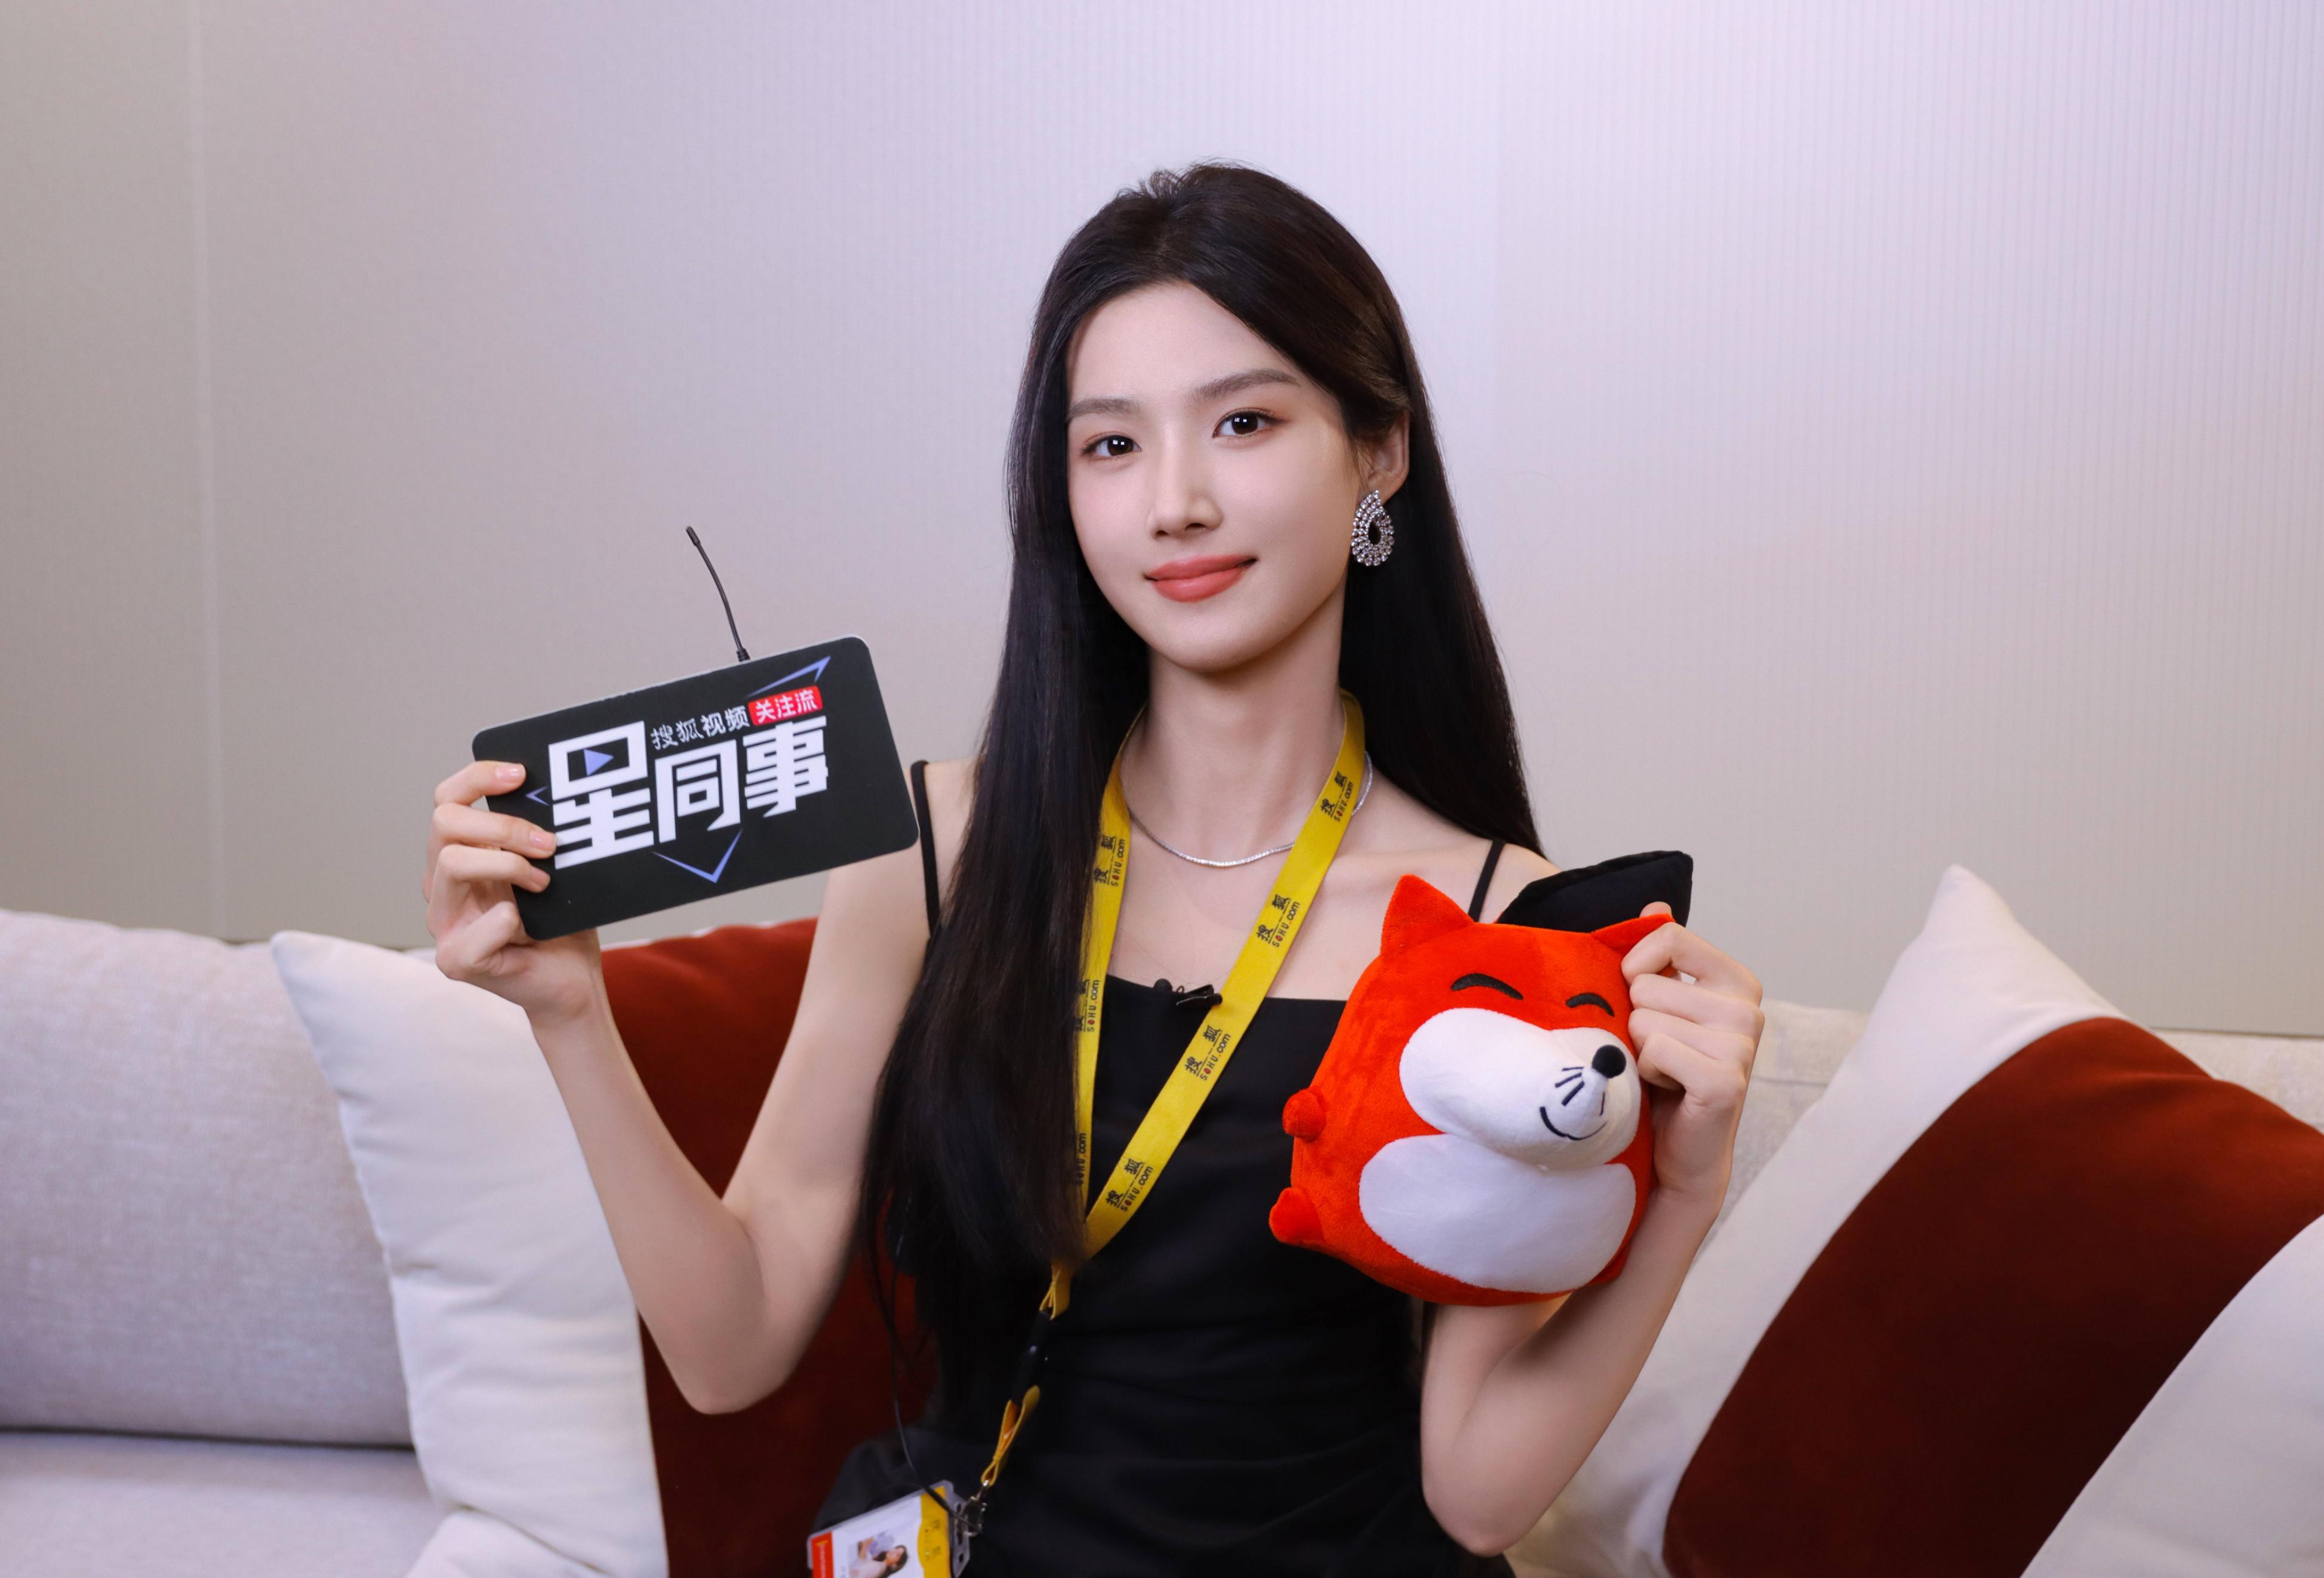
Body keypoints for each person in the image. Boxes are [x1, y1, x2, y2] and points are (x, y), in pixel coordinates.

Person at [423, 162, 1762, 1577]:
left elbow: (1480, 1495)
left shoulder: (1500, 918)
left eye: (1244, 422)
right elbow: (730, 1343)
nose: (1174, 503)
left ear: (1378, 454)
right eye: (1111, 445)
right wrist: (570, 1013)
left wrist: (1684, 1193)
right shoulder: (935, 846)